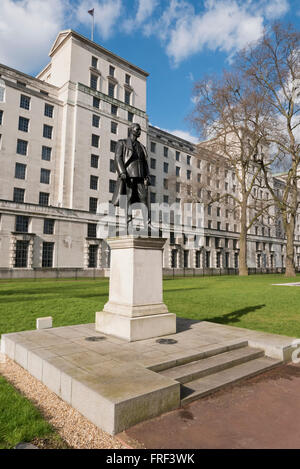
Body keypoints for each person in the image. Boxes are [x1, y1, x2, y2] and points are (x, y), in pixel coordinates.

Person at [112, 123, 151, 226]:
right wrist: (122, 172)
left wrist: (147, 175)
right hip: (129, 175)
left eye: (140, 130)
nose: (139, 131)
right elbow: (117, 158)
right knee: (129, 198)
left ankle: (147, 222)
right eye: (137, 129)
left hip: (140, 176)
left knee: (144, 199)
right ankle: (128, 222)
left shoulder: (141, 147)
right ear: (131, 130)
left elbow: (144, 162)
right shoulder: (122, 143)